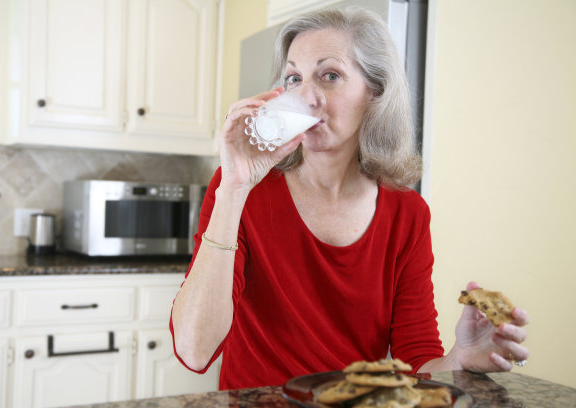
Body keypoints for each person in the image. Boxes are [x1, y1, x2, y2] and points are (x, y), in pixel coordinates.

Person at [170, 6, 529, 390]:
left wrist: (461, 359)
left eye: (329, 76)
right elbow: (195, 351)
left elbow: (418, 358)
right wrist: (234, 189)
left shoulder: (407, 213)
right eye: (294, 78)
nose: (306, 96)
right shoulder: (239, 190)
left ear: (375, 92)